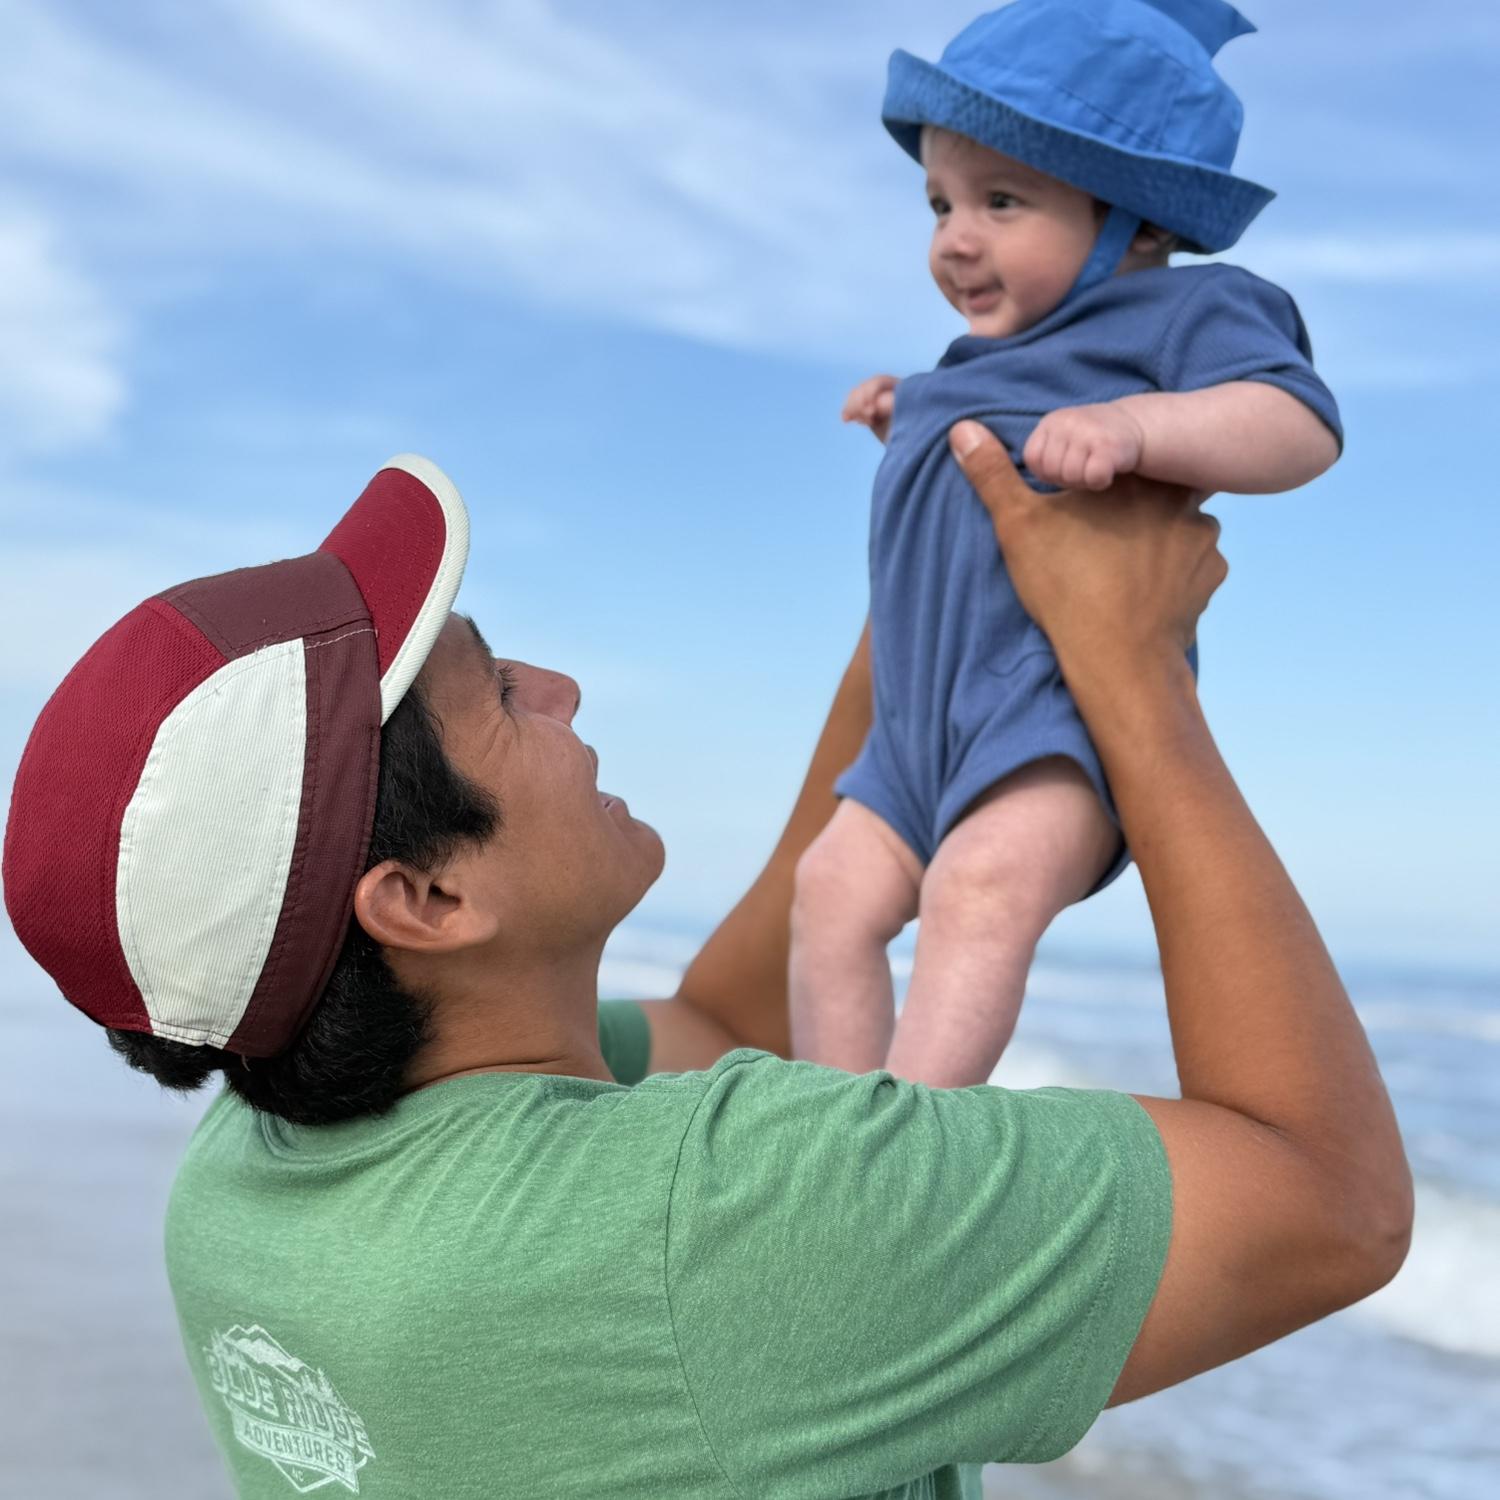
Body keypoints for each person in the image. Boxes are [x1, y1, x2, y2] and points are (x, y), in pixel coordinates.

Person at [3, 438, 1409, 1500]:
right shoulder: (715, 1218)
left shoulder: (247, 1170)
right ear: (424, 899)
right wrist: (1134, 670)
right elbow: (1328, 1200)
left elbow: (735, 1016)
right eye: (500, 692)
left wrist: (922, 606)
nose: (560, 688)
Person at [790, 0, 1344, 1088]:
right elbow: (985, 473)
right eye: (941, 202)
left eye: (1002, 201)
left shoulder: (1183, 316)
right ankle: (836, 1126)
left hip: (1046, 723)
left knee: (980, 887)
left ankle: (911, 1135)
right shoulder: (968, 366)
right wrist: (909, 417)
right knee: (828, 891)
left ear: (1135, 225)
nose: (954, 238)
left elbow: (1300, 426)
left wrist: (1142, 428)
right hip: (912, 735)